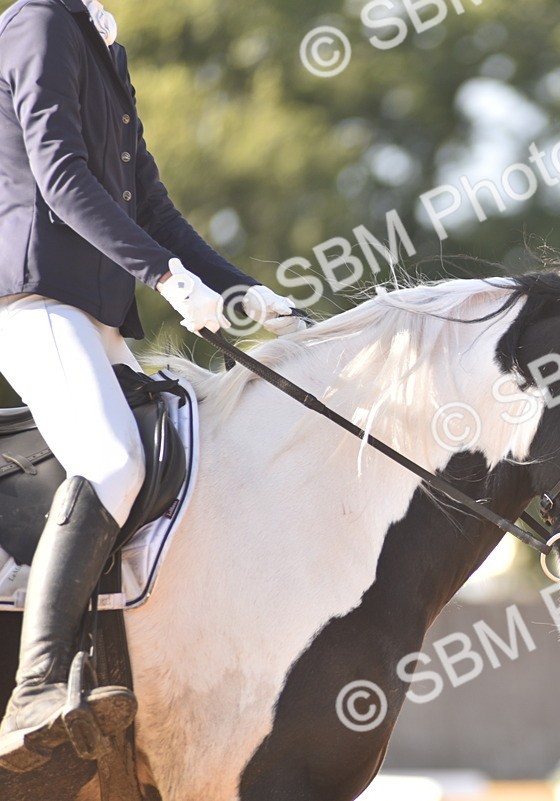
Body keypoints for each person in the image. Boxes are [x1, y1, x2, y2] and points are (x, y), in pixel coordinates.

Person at [0, 0, 301, 771]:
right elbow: (58, 172)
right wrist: (166, 278)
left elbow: (155, 208)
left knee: (181, 478)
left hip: (93, 309)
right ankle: (32, 688)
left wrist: (243, 291)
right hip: (34, 295)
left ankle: (113, 675)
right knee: (113, 461)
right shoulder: (39, 19)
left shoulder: (102, 44)